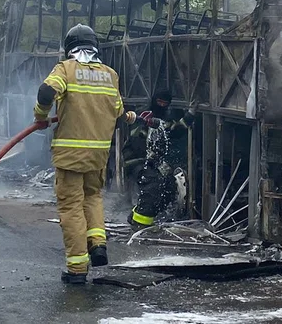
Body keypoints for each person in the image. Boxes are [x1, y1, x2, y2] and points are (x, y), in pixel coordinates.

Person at [32, 24, 134, 285]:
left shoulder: (66, 69)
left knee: (71, 207)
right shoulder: (110, 75)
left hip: (70, 153)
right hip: (98, 154)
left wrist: (41, 116)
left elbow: (45, 92)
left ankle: (77, 268)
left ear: (69, 47)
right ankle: (98, 243)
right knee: (93, 197)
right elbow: (119, 111)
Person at [128, 89, 195, 229]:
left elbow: (174, 130)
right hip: (135, 160)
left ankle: (136, 215)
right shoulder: (144, 115)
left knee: (169, 187)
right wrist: (150, 162)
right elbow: (136, 142)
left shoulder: (164, 119)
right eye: (159, 102)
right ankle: (139, 224)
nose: (162, 106)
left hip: (153, 163)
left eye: (165, 103)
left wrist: (190, 115)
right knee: (153, 186)